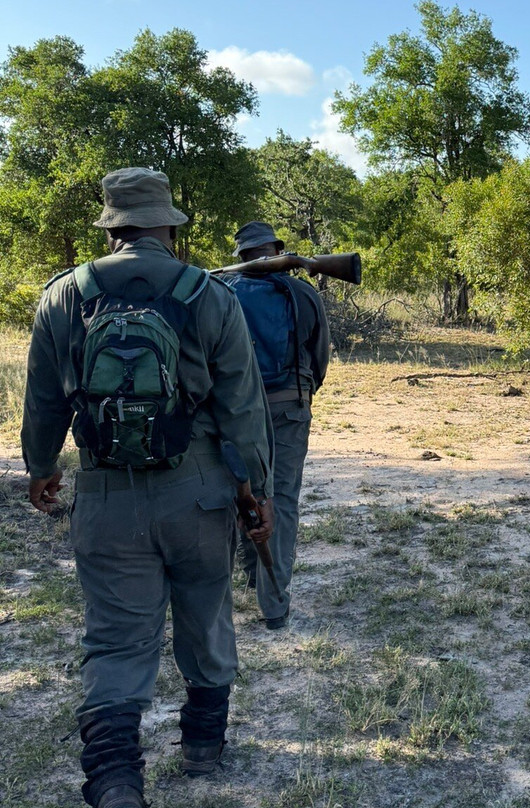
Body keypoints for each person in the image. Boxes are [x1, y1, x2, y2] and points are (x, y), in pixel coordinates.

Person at [22, 168, 275, 808]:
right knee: (205, 616)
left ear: (112, 226)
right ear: (168, 224)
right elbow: (244, 409)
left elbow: (44, 399)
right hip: (199, 493)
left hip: (106, 494)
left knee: (114, 638)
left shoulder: (62, 296)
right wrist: (256, 491)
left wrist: (42, 465)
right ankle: (201, 746)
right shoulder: (211, 296)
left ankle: (114, 782)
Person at [225, 222, 329, 630]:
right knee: (281, 500)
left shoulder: (222, 293)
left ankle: (251, 577)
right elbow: (319, 358)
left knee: (242, 494)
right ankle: (275, 604)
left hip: (234, 414)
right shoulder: (302, 293)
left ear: (242, 255)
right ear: (277, 249)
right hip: (289, 406)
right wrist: (300, 396)